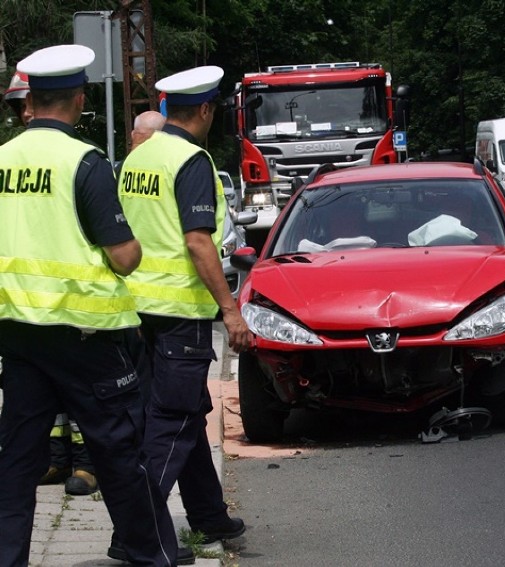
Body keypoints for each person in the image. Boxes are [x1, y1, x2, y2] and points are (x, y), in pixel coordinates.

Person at [0, 44, 181, 566]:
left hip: (18, 333)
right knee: (119, 454)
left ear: (31, 101)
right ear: (79, 100)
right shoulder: (85, 161)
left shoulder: (4, 160)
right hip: (85, 332)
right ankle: (149, 557)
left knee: (17, 460)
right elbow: (123, 258)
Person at [116, 65, 252, 552]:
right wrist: (231, 310)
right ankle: (138, 535)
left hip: (137, 310)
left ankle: (210, 517)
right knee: (170, 424)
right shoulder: (191, 161)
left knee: (185, 413)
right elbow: (198, 243)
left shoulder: (139, 157)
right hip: (179, 313)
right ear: (205, 109)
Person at [3, 70, 101, 497]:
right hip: (26, 311)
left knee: (79, 406)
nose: (22, 112)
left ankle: (84, 464)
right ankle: (58, 458)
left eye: (25, 103)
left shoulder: (77, 159)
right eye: (14, 106)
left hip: (72, 310)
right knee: (43, 407)